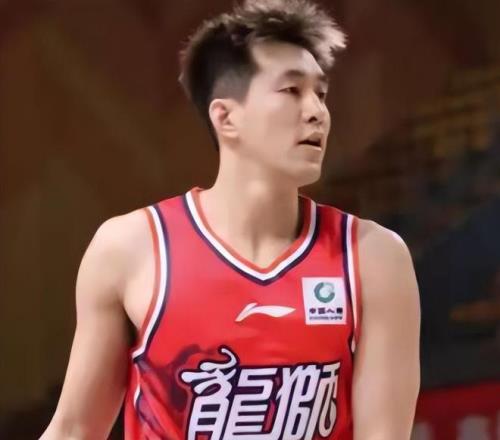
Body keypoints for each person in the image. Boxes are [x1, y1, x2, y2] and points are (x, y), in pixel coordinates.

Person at [41, 0, 420, 439]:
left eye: (321, 93)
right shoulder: (130, 249)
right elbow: (74, 430)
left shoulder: (373, 257)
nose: (317, 111)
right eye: (291, 90)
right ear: (225, 117)